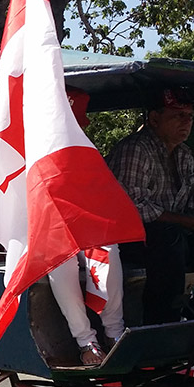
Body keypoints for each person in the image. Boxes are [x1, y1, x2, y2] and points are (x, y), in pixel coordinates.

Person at [107, 87, 194, 323]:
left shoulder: (184, 155)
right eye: (178, 115)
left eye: (190, 117)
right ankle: (162, 320)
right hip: (125, 239)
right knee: (169, 236)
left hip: (168, 238)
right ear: (154, 119)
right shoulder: (136, 149)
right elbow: (132, 207)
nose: (186, 122)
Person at [47, 88, 124, 365]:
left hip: (79, 230)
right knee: (60, 263)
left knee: (108, 249)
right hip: (41, 235)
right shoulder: (26, 146)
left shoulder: (84, 153)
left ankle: (115, 332)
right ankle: (86, 341)